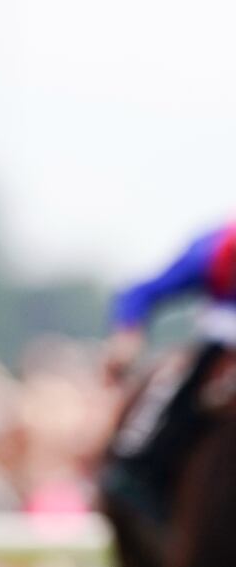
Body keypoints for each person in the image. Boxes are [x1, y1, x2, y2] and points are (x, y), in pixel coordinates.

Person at [101, 220, 236, 519]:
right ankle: (139, 468)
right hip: (225, 338)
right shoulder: (220, 247)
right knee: (190, 384)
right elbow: (141, 293)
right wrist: (128, 334)